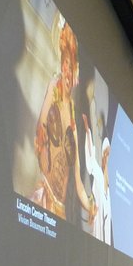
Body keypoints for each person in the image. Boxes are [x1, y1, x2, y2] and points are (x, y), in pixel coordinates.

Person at [31, 19, 96, 223]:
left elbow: (77, 179)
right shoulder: (54, 88)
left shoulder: (74, 116)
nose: (67, 71)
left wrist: (91, 205)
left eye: (71, 65)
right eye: (65, 63)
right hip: (41, 201)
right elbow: (40, 128)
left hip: (60, 213)